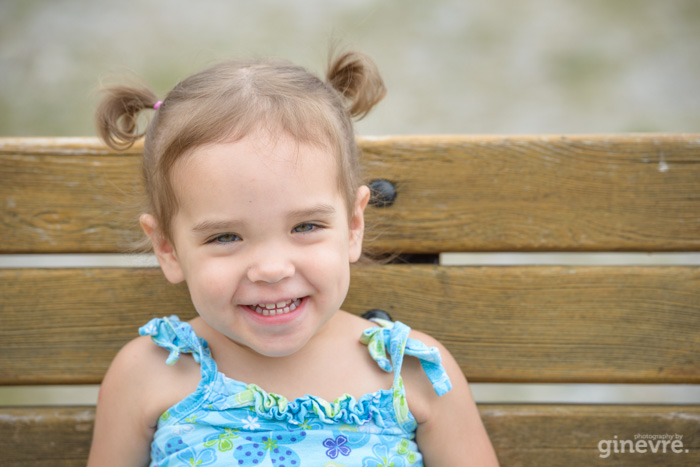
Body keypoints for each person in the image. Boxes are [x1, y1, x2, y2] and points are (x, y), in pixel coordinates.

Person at [87, 49, 498, 466]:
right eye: (226, 236)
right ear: (168, 249)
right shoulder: (147, 375)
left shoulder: (413, 373)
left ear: (354, 225)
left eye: (305, 227)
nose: (271, 269)